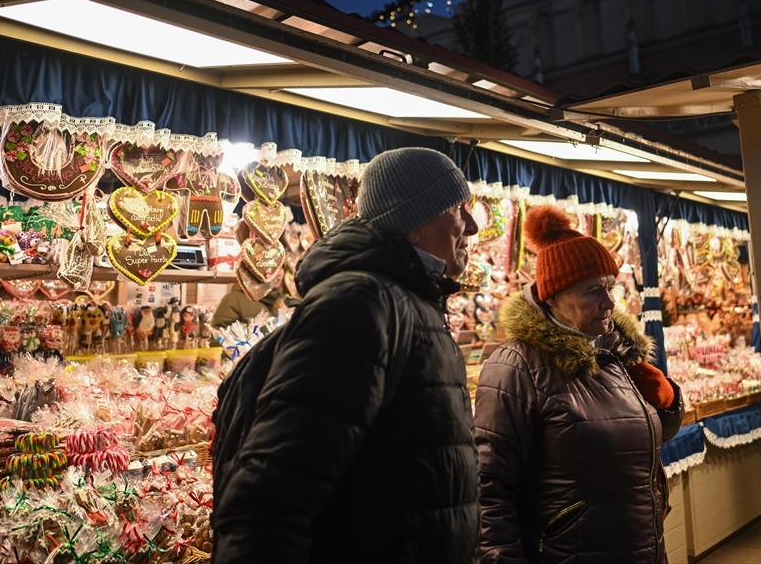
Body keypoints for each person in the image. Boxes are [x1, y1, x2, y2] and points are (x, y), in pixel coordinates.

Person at [212, 147, 480, 563]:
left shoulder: (411, 300)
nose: (473, 226)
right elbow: (277, 485)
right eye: (458, 209)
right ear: (413, 224)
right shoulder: (361, 303)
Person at [475, 205, 684, 564]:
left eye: (609, 287)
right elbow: (489, 489)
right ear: (552, 297)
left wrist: (666, 401)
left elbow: (649, 438)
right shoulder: (517, 365)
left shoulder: (614, 353)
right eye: (592, 291)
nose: (609, 302)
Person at [209, 283, 279, 328]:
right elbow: (218, 334)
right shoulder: (234, 299)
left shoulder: (282, 300)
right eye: (274, 268)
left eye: (282, 267)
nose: (278, 273)